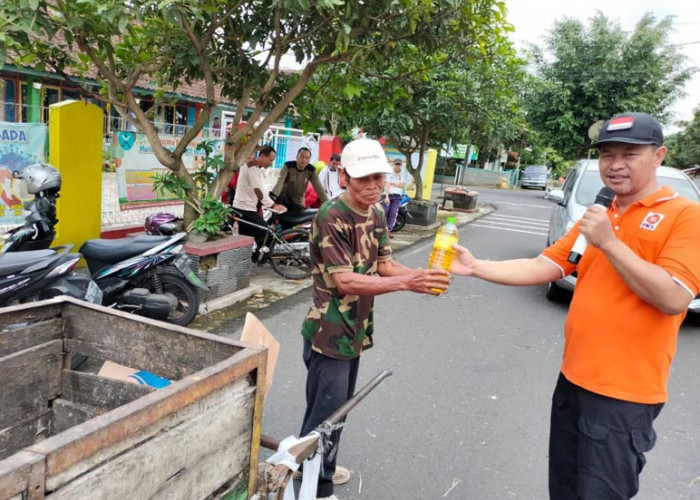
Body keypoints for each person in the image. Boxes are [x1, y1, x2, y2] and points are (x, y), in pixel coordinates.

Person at [449, 112, 700, 500]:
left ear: (659, 155)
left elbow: (673, 297)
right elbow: (545, 264)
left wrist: (610, 243)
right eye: (607, 155)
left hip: (624, 396)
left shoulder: (684, 216)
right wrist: (478, 266)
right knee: (564, 488)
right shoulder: (601, 213)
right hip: (573, 381)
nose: (615, 165)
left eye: (629, 154)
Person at [298, 138, 451, 500]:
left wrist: (420, 279)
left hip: (355, 328)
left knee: (337, 410)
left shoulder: (378, 211)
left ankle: (318, 471)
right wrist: (406, 282)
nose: (372, 186)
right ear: (344, 175)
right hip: (328, 331)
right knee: (327, 415)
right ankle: (313, 488)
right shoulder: (332, 215)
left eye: (378, 178)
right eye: (363, 178)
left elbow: (384, 265)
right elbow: (345, 280)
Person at [232, 146, 286, 259]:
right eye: (270, 160)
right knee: (266, 231)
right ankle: (257, 257)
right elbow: (258, 191)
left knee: (248, 236)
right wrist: (273, 205)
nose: (271, 163)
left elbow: (262, 192)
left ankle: (252, 258)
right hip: (244, 208)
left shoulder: (257, 169)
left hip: (250, 207)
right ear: (262, 156)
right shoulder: (251, 168)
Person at [271, 147, 329, 212]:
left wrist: (329, 205)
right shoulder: (288, 166)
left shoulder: (311, 170)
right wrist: (272, 197)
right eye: (302, 156)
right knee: (282, 196)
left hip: (299, 204)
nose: (304, 160)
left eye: (307, 158)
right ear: (297, 157)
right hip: (284, 200)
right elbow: (280, 183)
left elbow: (319, 189)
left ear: (309, 160)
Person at [382, 158, 406, 235]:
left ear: (401, 165)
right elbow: (387, 184)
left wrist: (393, 184)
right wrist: (386, 197)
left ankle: (389, 230)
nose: (397, 166)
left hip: (397, 196)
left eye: (399, 164)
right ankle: (382, 228)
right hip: (388, 194)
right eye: (396, 164)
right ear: (394, 164)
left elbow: (402, 185)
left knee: (393, 213)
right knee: (385, 211)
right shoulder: (389, 172)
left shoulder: (402, 173)